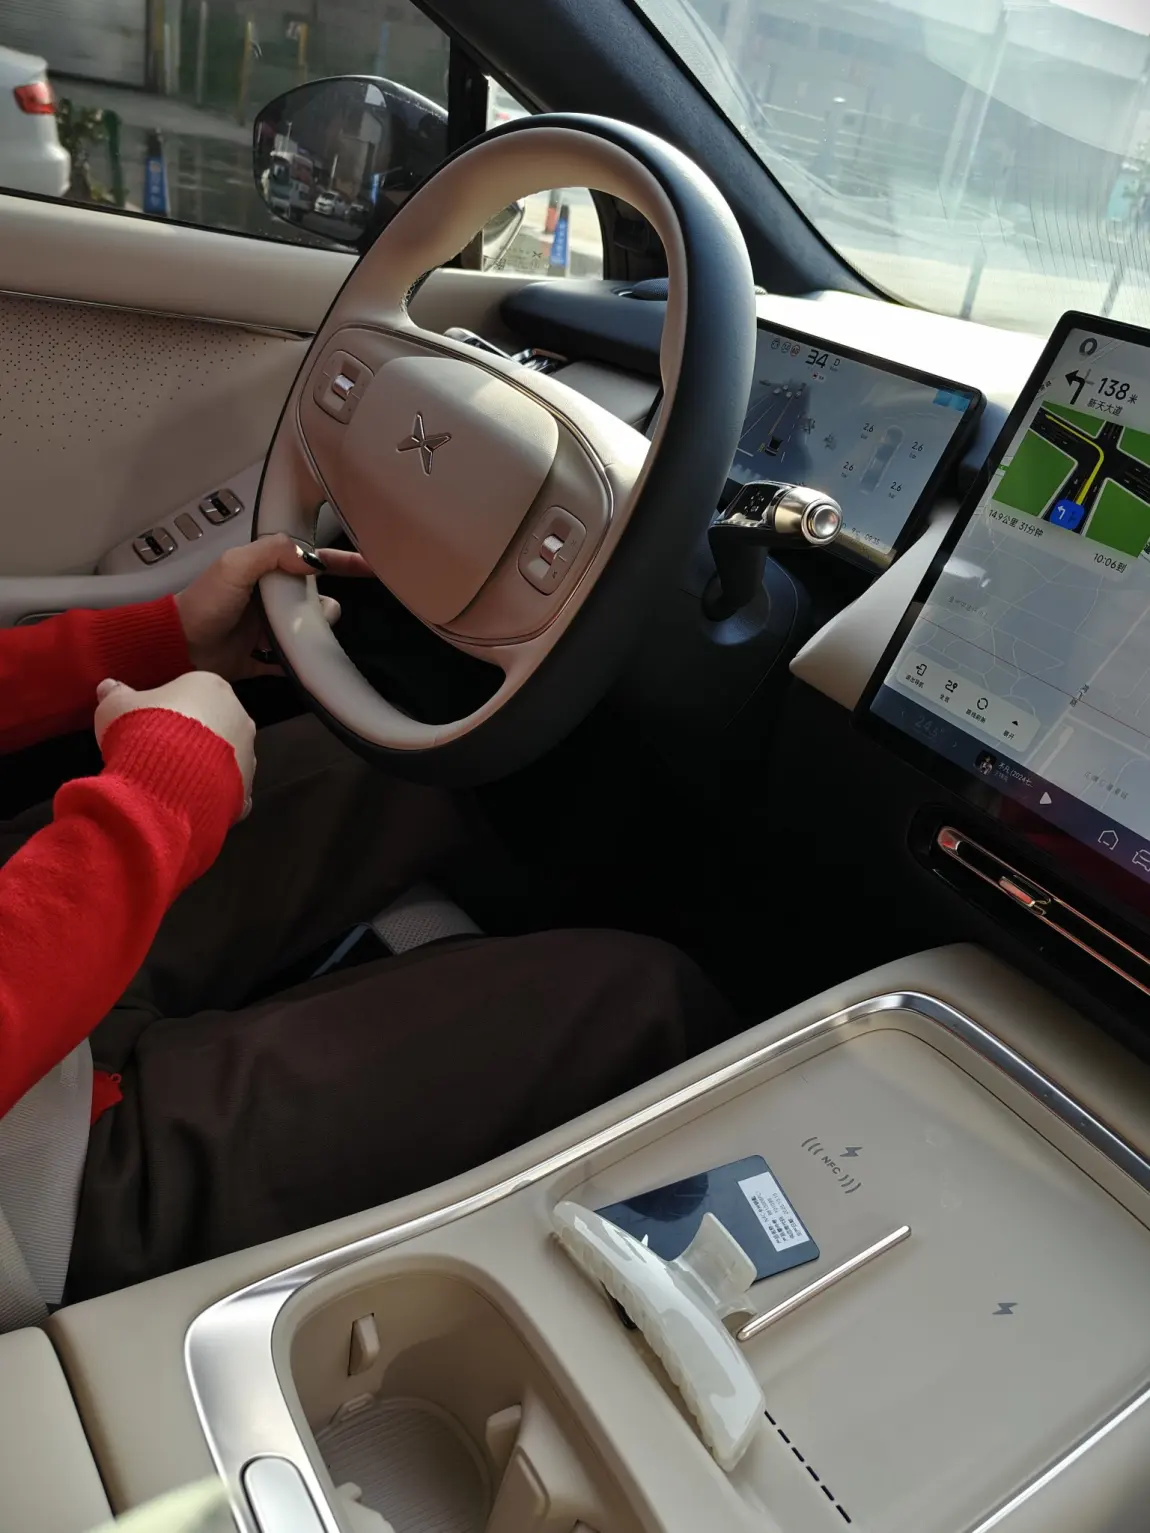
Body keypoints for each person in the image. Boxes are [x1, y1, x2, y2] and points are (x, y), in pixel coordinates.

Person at [0, 536, 731, 1304]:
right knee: (642, 1001)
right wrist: (162, 788)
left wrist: (150, 641)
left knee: (407, 764)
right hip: (41, 1190)